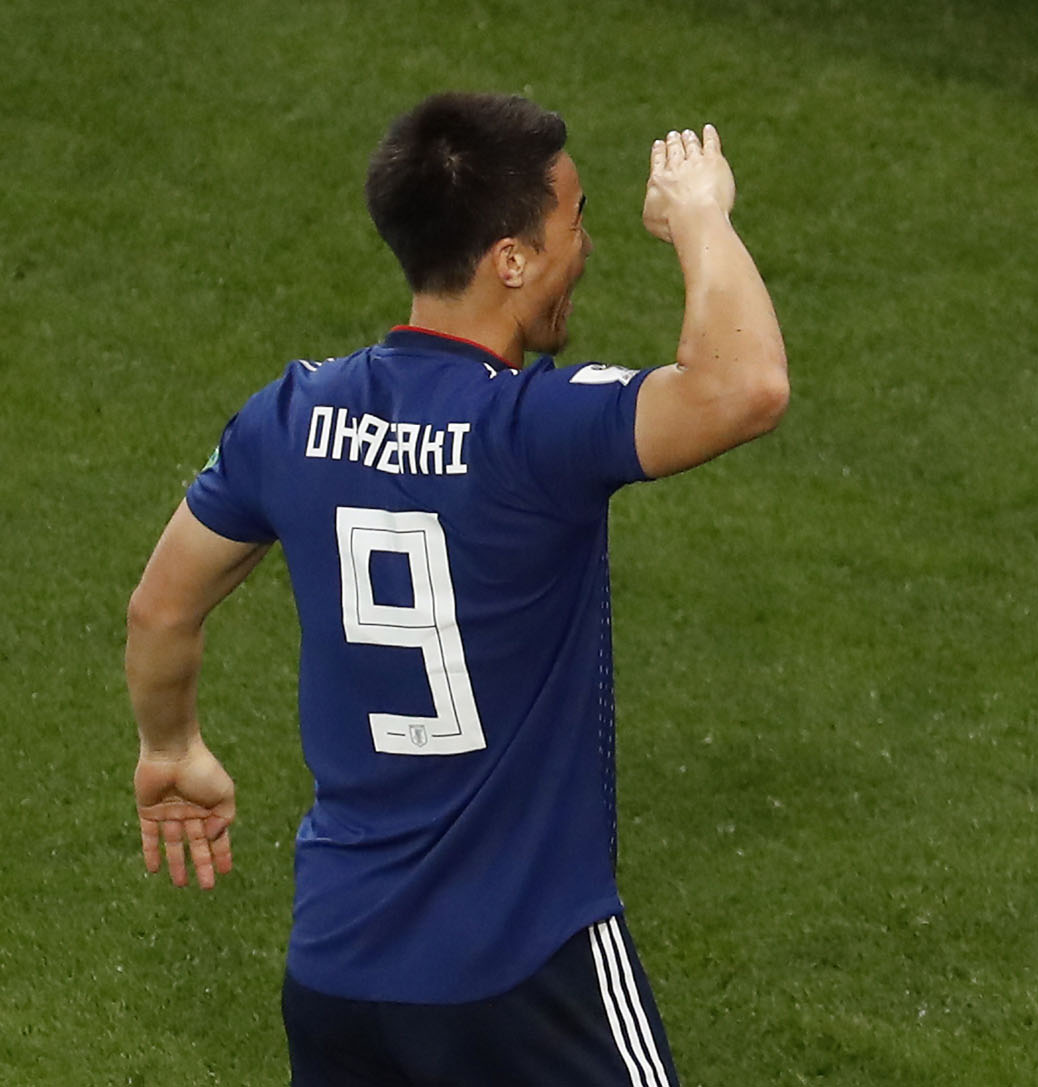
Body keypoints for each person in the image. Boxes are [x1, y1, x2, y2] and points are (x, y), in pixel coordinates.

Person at [125, 92, 786, 1085]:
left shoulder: (290, 416)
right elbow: (745, 386)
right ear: (509, 259)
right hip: (527, 966)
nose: (586, 246)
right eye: (575, 221)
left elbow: (160, 606)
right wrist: (699, 215)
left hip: (341, 971)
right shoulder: (534, 433)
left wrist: (170, 745)